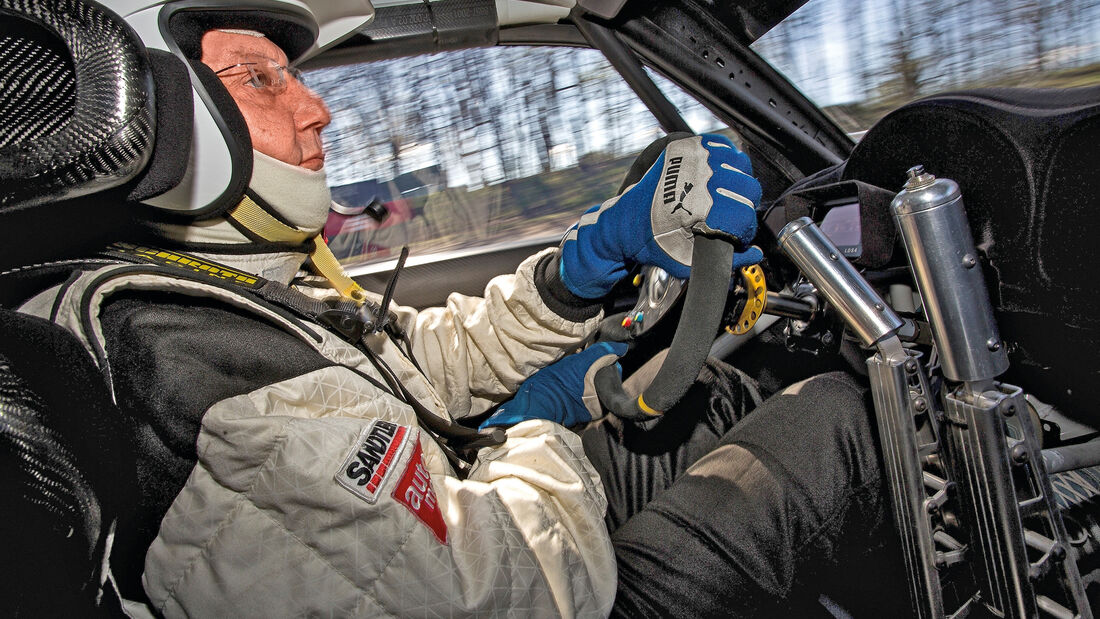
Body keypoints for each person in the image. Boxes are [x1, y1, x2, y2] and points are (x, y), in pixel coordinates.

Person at [16, 2, 898, 617]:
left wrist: (577, 274)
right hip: (524, 589)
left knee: (717, 396)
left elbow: (410, 365)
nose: (317, 107)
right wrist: (541, 421)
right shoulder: (183, 370)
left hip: (472, 529)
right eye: (262, 81)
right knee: (839, 417)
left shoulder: (196, 287)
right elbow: (505, 591)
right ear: (160, 112)